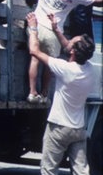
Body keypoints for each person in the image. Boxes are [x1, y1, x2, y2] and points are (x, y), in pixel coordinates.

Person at [25, 12, 95, 175]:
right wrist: (56, 30)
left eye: (72, 41)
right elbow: (69, 47)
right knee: (81, 171)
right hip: (78, 128)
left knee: (49, 170)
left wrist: (33, 28)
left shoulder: (65, 69)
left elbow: (34, 50)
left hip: (58, 127)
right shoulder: (90, 70)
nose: (69, 42)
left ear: (73, 53)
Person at [25, 0, 101, 104]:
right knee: (49, 64)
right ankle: (44, 94)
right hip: (52, 30)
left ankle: (32, 93)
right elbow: (97, 2)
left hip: (34, 24)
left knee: (34, 59)